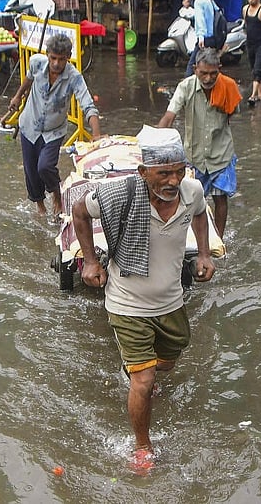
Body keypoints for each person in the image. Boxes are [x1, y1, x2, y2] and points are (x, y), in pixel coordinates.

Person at [70, 129, 216, 471]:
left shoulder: (191, 192)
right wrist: (90, 260)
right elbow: (78, 210)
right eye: (164, 173)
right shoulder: (118, 195)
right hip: (127, 303)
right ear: (143, 172)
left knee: (166, 363)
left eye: (179, 171)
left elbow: (200, 213)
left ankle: (136, 370)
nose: (173, 180)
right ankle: (142, 446)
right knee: (145, 381)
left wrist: (205, 254)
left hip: (171, 302)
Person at [6, 34, 101, 216]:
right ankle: (40, 207)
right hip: (29, 125)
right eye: (53, 58)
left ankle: (56, 193)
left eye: (62, 59)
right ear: (48, 54)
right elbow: (28, 79)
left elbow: (88, 105)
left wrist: (96, 134)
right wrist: (18, 96)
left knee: (45, 166)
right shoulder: (36, 62)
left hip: (54, 131)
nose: (57, 63)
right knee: (31, 169)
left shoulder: (74, 77)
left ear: (68, 57)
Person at [158, 48, 241, 239]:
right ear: (195, 69)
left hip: (221, 153)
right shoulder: (185, 87)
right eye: (203, 73)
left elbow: (233, 110)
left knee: (220, 199)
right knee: (192, 200)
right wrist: (158, 141)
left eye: (213, 73)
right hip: (194, 156)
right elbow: (169, 116)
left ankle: (218, 240)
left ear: (219, 69)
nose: (208, 78)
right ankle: (195, 239)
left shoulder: (228, 86)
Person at [184, 0, 217, 76]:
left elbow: (200, 20)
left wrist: (201, 37)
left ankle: (186, 85)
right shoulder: (209, 0)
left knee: (192, 65)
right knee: (210, 63)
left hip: (205, 38)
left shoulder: (199, 1)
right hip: (213, 38)